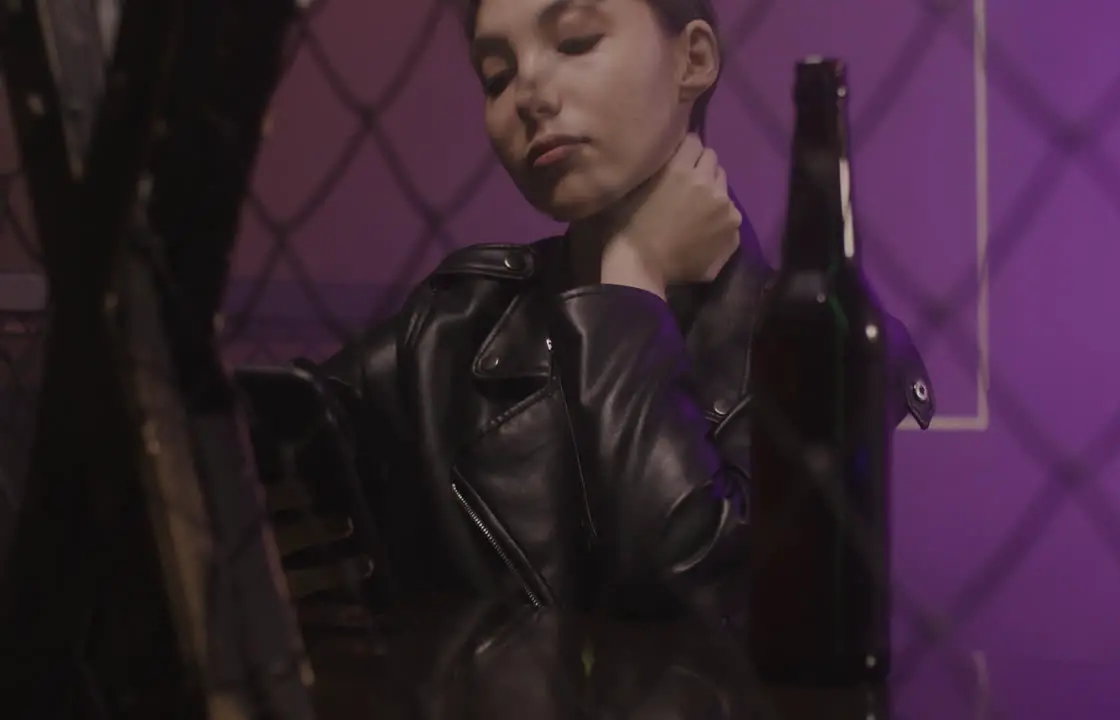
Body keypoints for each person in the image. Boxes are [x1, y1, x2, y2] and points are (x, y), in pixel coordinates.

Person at [313, 0, 934, 626]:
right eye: (495, 77)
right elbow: (266, 440)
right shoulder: (450, 330)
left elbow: (707, 605)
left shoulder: (827, 346)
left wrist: (633, 276)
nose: (528, 94)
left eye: (576, 42)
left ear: (692, 60)